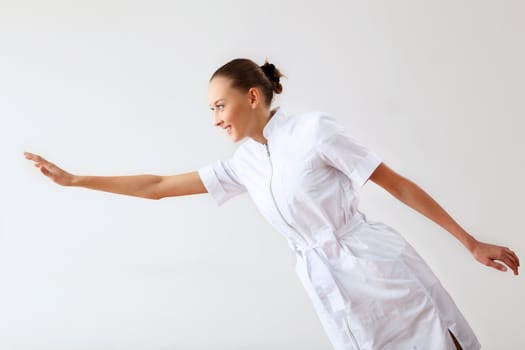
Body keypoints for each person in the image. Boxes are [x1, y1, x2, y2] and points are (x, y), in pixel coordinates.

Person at [24, 58, 519, 350]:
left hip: (382, 272)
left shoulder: (312, 131)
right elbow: (156, 186)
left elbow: (397, 185)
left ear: (254, 96)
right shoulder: (245, 163)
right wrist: (74, 180)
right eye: (212, 110)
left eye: (220, 105)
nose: (215, 118)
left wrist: (470, 243)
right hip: (333, 292)